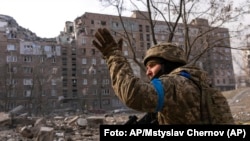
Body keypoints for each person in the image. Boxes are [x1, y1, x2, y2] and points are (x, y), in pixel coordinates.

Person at [92, 28, 234, 124]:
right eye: (146, 68)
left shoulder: (176, 84)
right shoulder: (200, 86)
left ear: (169, 64)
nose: (148, 72)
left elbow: (132, 95)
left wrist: (113, 55)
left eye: (152, 66)